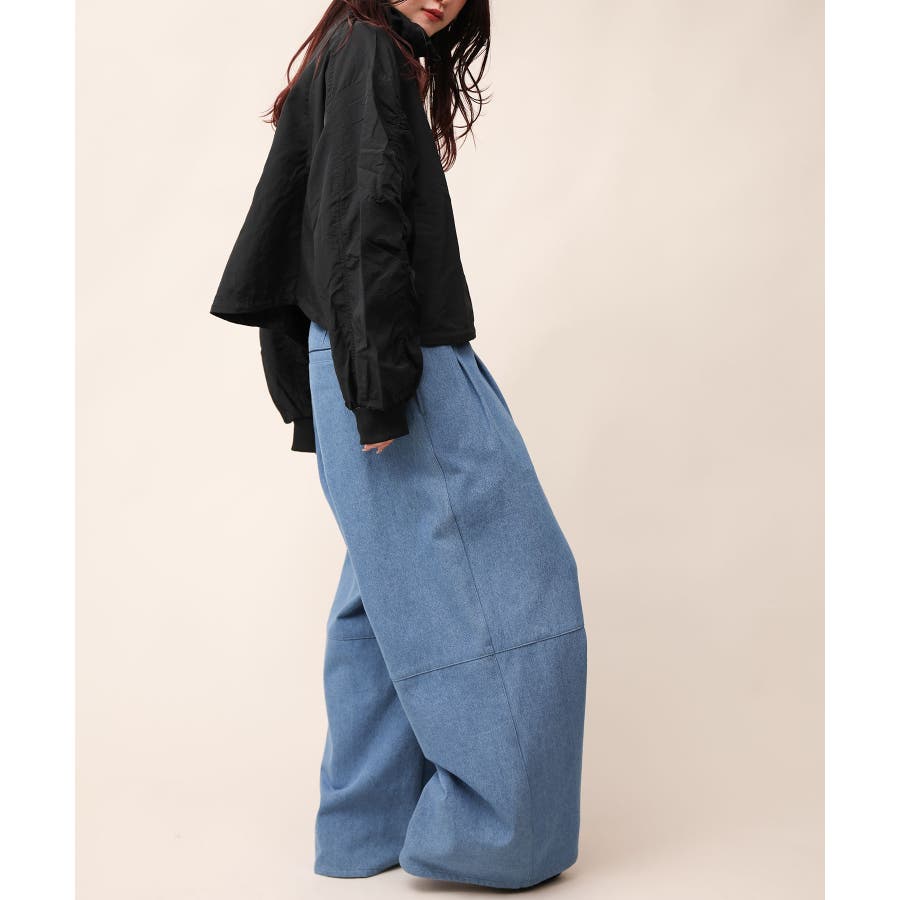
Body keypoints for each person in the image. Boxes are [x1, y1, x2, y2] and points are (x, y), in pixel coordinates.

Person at [210, 1, 587, 890]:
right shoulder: (370, 53)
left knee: (385, 600)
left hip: (355, 358)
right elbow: (360, 225)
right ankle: (499, 841)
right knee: (521, 587)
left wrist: (344, 388)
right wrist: (376, 397)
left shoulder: (350, 51)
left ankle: (364, 831)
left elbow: (315, 223)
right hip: (394, 366)